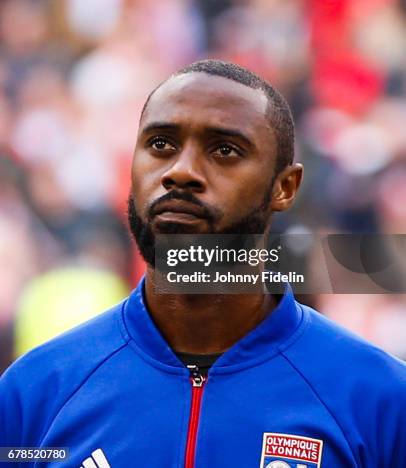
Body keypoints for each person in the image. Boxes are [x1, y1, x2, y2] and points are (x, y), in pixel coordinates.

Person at [0, 59, 405, 468]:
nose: (181, 171)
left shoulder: (380, 401)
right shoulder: (34, 393)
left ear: (284, 187)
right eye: (160, 145)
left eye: (224, 150)